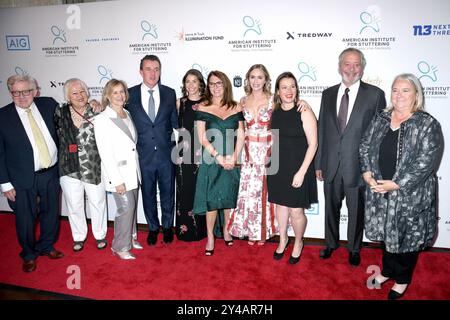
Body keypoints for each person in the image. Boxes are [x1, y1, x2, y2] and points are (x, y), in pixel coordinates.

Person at [359, 73, 443, 299]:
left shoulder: (426, 124)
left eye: (405, 90)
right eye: (395, 90)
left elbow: (426, 162)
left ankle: (403, 278)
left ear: (416, 94)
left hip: (410, 195)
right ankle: (387, 271)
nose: (399, 95)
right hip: (379, 190)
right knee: (387, 235)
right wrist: (367, 172)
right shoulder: (381, 118)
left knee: (407, 238)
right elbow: (365, 146)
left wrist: (396, 184)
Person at [315, 47, 386, 266]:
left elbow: (379, 136)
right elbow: (322, 130)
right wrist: (319, 162)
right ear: (339, 66)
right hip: (331, 164)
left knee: (356, 211)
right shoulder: (327, 94)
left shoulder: (375, 95)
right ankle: (330, 243)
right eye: (347, 64)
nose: (352, 69)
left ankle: (354, 248)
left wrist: (372, 168)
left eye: (356, 64)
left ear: (362, 68)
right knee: (330, 208)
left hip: (359, 168)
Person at [0, 75, 64, 273]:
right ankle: (28, 254)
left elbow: (71, 116)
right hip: (21, 177)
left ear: (35, 91)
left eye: (26, 91)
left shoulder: (48, 104)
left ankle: (46, 246)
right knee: (25, 219)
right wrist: (5, 183)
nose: (21, 96)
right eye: (16, 92)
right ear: (11, 93)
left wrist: (94, 104)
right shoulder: (2, 116)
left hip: (51, 172)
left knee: (51, 213)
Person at [127, 55, 178, 246]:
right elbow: (116, 114)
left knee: (168, 193)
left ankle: (167, 227)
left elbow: (175, 123)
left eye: (156, 69)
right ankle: (153, 228)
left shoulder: (169, 93)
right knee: (147, 194)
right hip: (143, 156)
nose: (153, 73)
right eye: (148, 69)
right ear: (141, 71)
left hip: (166, 154)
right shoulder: (129, 94)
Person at [267, 72, 318, 264]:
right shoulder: (275, 112)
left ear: (297, 89)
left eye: (292, 86)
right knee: (280, 207)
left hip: (299, 167)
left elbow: (313, 144)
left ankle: (298, 242)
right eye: (284, 87)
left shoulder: (304, 111)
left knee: (296, 211)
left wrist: (302, 172)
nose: (289, 91)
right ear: (278, 92)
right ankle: (283, 239)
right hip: (278, 166)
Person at [192, 70, 245, 256]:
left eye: (219, 83)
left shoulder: (236, 107)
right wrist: (219, 157)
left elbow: (241, 135)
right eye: (212, 83)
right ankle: (210, 238)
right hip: (212, 159)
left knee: (229, 197)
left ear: (225, 85)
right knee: (211, 201)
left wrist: (233, 156)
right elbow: (202, 138)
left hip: (232, 159)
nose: (215, 87)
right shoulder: (203, 108)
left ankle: (227, 231)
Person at [54, 78, 108, 252]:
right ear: (68, 97)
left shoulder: (97, 110)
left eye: (83, 91)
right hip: (68, 167)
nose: (80, 95)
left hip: (93, 166)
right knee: (74, 204)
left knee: (97, 202)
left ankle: (100, 235)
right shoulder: (59, 112)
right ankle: (78, 237)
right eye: (74, 93)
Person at [227, 64, 277, 245]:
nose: (256, 81)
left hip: (269, 151)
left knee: (264, 191)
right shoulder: (242, 101)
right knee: (250, 191)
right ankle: (251, 230)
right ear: (248, 80)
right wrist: (236, 154)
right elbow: (241, 131)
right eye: (253, 77)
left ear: (266, 80)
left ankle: (263, 231)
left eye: (260, 77)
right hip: (249, 152)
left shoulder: (274, 100)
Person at [94, 79, 141, 260]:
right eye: (115, 92)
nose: (120, 95)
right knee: (125, 209)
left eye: (122, 91)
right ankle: (119, 246)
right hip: (119, 175)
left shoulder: (127, 113)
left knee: (133, 207)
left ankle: (130, 238)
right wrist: (116, 180)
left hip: (133, 171)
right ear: (107, 95)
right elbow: (105, 153)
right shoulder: (102, 119)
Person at [175, 69, 207, 241]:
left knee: (199, 192)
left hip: (202, 153)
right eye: (188, 81)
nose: (191, 85)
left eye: (195, 81)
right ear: (184, 84)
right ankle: (184, 231)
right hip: (181, 155)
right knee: (184, 192)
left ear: (200, 83)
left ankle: (201, 232)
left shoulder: (207, 103)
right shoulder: (180, 103)